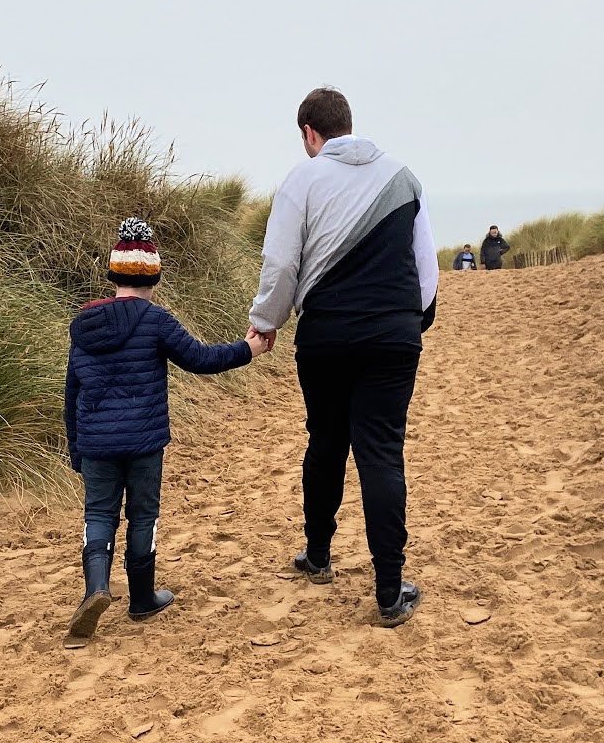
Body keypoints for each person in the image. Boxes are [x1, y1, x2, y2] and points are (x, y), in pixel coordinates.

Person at [248, 87, 437, 627]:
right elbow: (426, 266)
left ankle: (320, 556)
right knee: (381, 452)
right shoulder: (403, 177)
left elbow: (281, 263)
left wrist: (267, 321)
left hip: (327, 336)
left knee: (326, 440)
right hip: (394, 337)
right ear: (349, 124)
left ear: (311, 132)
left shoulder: (301, 178)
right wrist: (413, 319)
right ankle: (389, 591)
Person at [63, 217, 270, 648]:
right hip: (143, 441)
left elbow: (71, 392)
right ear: (154, 275)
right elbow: (201, 359)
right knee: (143, 516)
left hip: (96, 442)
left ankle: (94, 590)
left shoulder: (84, 326)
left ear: (112, 274)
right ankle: (141, 598)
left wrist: (75, 449)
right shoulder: (155, 320)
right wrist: (248, 349)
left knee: (99, 515)